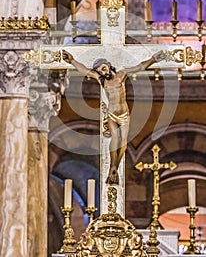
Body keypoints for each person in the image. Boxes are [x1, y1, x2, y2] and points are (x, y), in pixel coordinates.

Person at [62, 49, 165, 185]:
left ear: (109, 66)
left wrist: (153, 60)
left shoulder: (121, 75)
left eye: (104, 68)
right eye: (100, 71)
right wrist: (72, 61)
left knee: (123, 142)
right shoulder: (102, 81)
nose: (103, 72)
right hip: (111, 114)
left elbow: (139, 67)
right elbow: (85, 71)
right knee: (115, 138)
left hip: (124, 115)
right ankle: (113, 166)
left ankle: (115, 166)